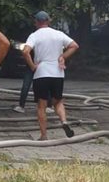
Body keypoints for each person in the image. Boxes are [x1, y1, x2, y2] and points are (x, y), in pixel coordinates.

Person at [22, 11, 79, 140]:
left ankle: (43, 136)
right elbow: (74, 46)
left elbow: (26, 52)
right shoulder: (59, 34)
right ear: (49, 21)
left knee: (41, 106)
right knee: (58, 102)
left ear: (36, 22)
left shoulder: (34, 35)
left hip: (41, 73)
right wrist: (62, 56)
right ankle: (64, 121)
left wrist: (32, 66)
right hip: (58, 73)